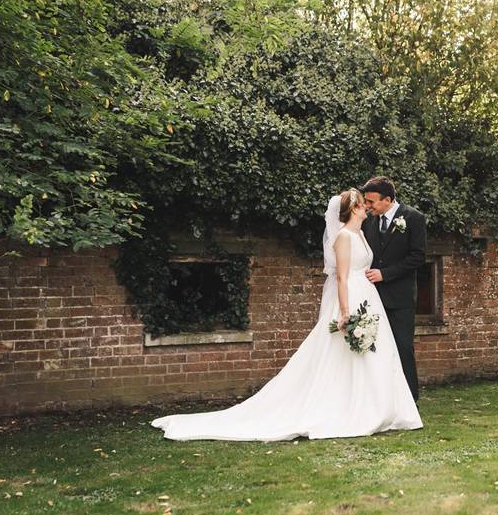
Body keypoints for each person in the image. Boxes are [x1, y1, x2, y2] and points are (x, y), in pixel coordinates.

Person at [151, 189, 422, 441]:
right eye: (363, 205)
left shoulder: (362, 233)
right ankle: (346, 408)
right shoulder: (343, 238)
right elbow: (340, 277)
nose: (368, 208)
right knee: (341, 355)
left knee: (372, 355)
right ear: (353, 209)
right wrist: (345, 311)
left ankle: (378, 407)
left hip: (368, 297)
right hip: (351, 297)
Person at [360, 177, 427, 401]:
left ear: (388, 200)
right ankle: (381, 402)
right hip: (373, 298)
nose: (368, 207)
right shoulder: (368, 222)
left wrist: (385, 274)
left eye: (371, 202)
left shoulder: (413, 218)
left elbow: (418, 257)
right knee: (375, 351)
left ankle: (410, 402)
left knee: (403, 349)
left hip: (400, 299)